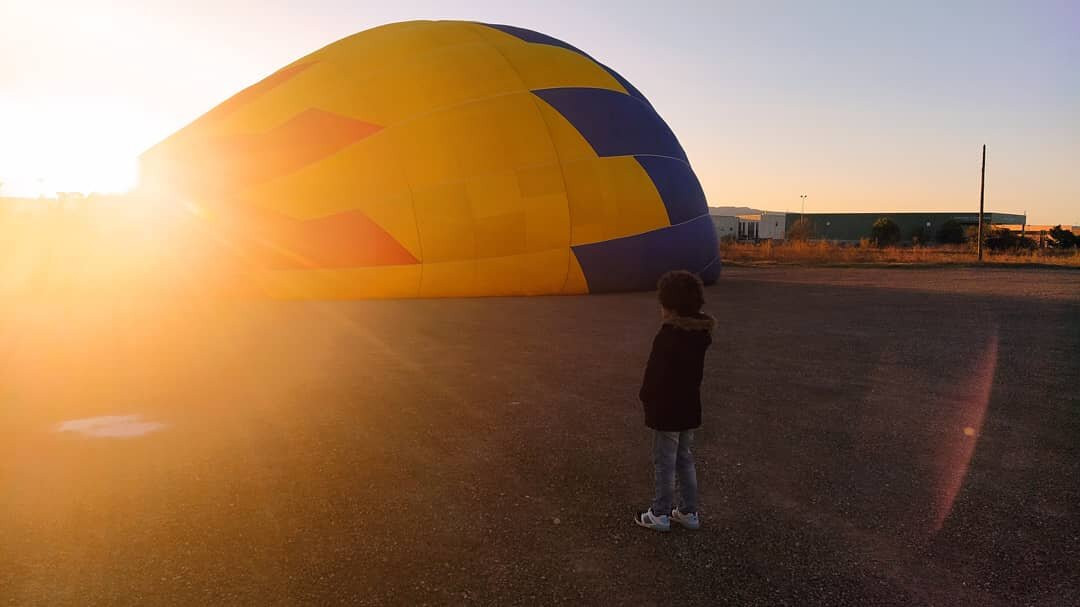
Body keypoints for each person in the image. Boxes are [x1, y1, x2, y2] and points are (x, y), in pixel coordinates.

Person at [635, 270, 715, 532]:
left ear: (669, 306)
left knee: (664, 461)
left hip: (666, 409)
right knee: (684, 458)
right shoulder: (700, 335)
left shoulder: (668, 336)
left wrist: (645, 396)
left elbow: (654, 375)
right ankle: (689, 512)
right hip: (688, 406)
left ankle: (659, 514)